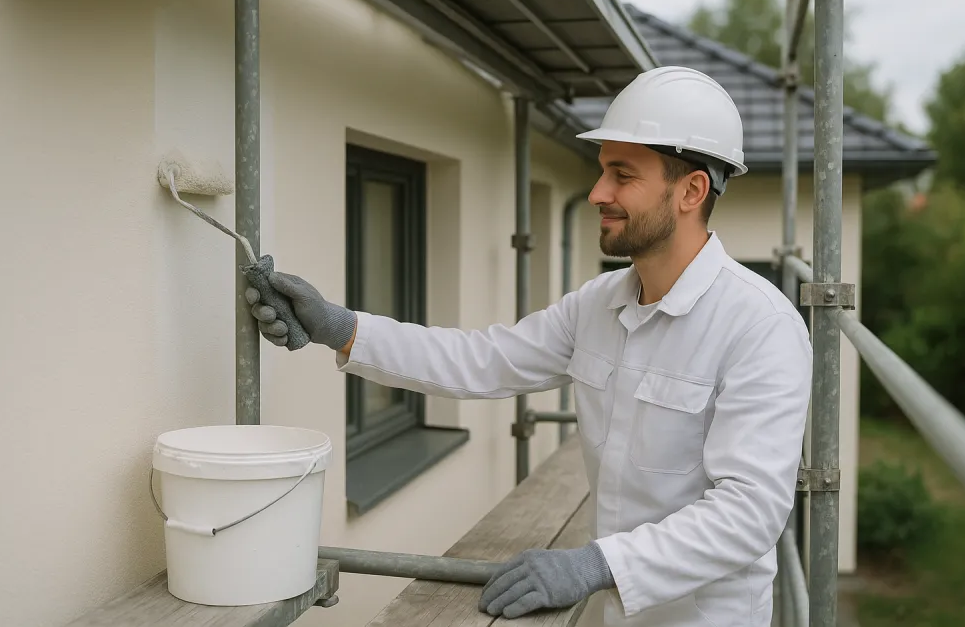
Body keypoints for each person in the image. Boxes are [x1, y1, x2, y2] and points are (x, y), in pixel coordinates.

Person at [244, 66, 813, 627]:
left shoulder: (760, 326)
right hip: (609, 610)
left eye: (622, 175)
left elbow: (748, 514)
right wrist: (341, 328)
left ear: (691, 190)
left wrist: (596, 563)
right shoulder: (599, 303)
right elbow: (481, 361)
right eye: (601, 172)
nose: (597, 193)